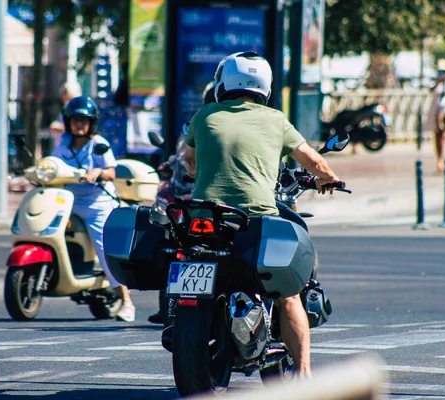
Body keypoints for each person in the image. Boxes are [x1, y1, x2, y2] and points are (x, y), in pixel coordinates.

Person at [184, 52, 341, 378]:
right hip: (257, 217)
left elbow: (189, 162)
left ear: (223, 82)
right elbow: (314, 162)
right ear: (264, 87)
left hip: (205, 217)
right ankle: (304, 373)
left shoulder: (204, 116)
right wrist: (329, 178)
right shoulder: (275, 120)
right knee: (287, 293)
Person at [51, 96, 136, 322]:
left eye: (84, 120)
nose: (79, 124)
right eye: (75, 120)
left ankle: (126, 302)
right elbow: (53, 165)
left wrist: (98, 172)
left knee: (104, 248)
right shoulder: (63, 144)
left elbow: (112, 172)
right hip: (68, 201)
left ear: (92, 123)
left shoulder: (98, 143)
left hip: (96, 205)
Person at [147, 80, 216, 325]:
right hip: (187, 195)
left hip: (208, 199)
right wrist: (171, 165)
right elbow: (184, 155)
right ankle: (167, 302)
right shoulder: (198, 122)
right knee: (168, 240)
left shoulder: (202, 122)